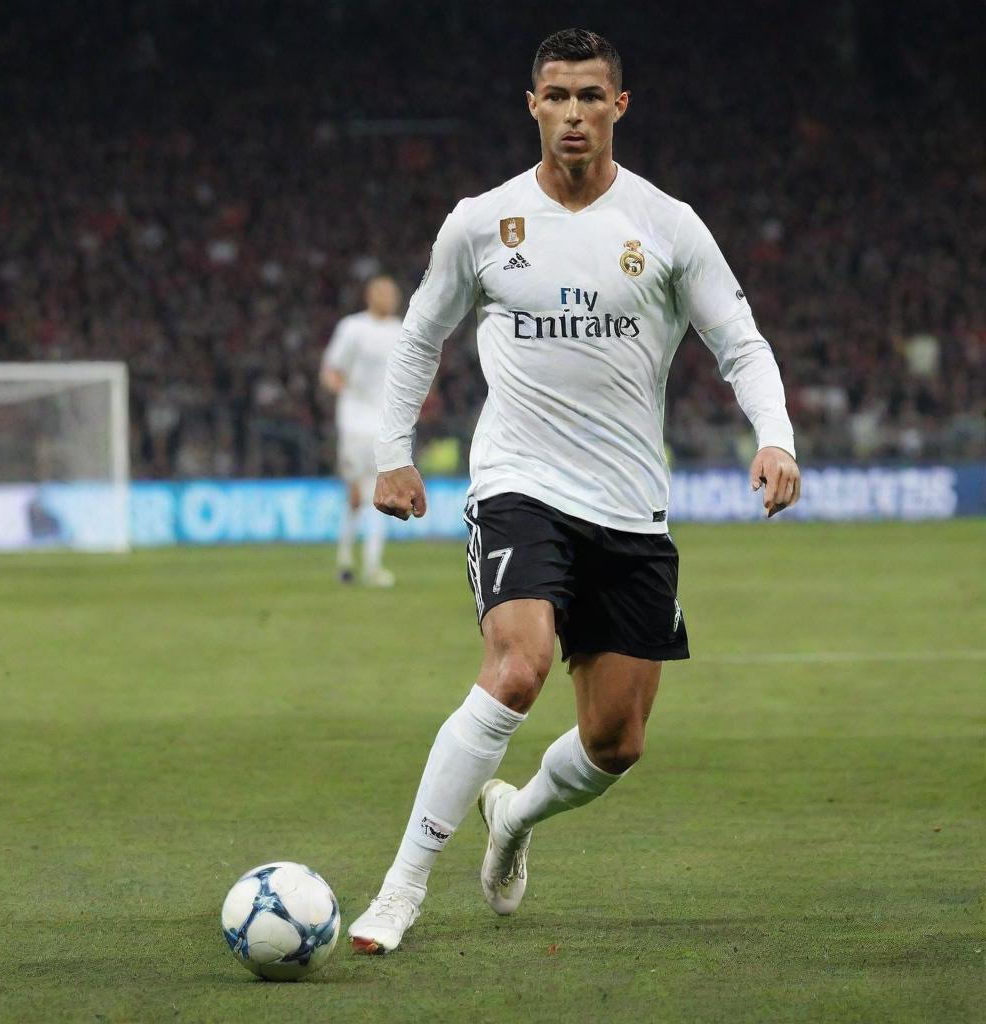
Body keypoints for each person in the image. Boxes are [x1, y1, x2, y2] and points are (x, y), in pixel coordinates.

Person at [348, 28, 801, 954]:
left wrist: (776, 437)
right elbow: (419, 339)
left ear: (619, 108)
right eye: (556, 97)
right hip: (519, 483)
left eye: (591, 97)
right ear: (532, 107)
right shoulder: (481, 222)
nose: (573, 116)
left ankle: (512, 818)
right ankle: (401, 888)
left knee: (616, 741)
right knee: (516, 668)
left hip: (631, 507)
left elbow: (740, 341)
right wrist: (393, 453)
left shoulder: (667, 225)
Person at [320, 275, 403, 587]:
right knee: (356, 496)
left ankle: (372, 565)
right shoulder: (352, 327)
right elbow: (331, 370)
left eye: (392, 292)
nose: (389, 297)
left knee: (382, 494)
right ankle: (344, 561)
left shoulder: (401, 331)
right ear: (369, 295)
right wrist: (345, 390)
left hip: (386, 426)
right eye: (383, 291)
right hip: (355, 423)